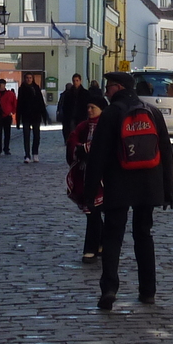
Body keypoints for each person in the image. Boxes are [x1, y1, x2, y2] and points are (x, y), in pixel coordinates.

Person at [83, 71, 173, 310]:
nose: (105, 91)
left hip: (119, 183)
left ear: (118, 87)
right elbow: (165, 151)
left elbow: (98, 156)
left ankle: (110, 288)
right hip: (149, 184)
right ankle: (148, 291)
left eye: (108, 86)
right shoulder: (151, 111)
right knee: (144, 234)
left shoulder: (112, 113)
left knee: (113, 236)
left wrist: (89, 193)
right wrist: (168, 190)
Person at [65, 87, 106, 262]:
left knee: (94, 211)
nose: (89, 111)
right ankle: (99, 243)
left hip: (102, 176)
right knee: (92, 211)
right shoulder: (84, 125)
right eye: (88, 107)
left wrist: (88, 149)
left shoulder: (106, 124)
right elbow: (72, 139)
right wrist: (79, 149)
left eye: (93, 108)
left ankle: (91, 249)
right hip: (85, 174)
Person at [16, 75, 48, 163]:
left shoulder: (36, 88)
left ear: (32, 79)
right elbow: (19, 104)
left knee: (36, 136)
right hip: (26, 116)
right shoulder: (22, 88)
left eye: (30, 78)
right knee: (26, 136)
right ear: (25, 79)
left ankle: (35, 153)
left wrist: (44, 116)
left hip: (36, 115)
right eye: (27, 78)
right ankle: (27, 155)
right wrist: (18, 119)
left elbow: (41, 102)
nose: (28, 79)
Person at [57, 73, 88, 143]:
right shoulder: (68, 94)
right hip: (71, 117)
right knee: (72, 133)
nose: (75, 82)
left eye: (77, 80)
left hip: (81, 117)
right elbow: (65, 106)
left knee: (81, 134)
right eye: (74, 81)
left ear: (80, 81)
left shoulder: (85, 93)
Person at [0, 78, 16, 157]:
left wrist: (12, 112)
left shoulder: (10, 94)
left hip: (7, 116)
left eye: (0, 85)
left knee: (7, 134)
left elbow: (14, 104)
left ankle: (6, 149)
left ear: (4, 85)